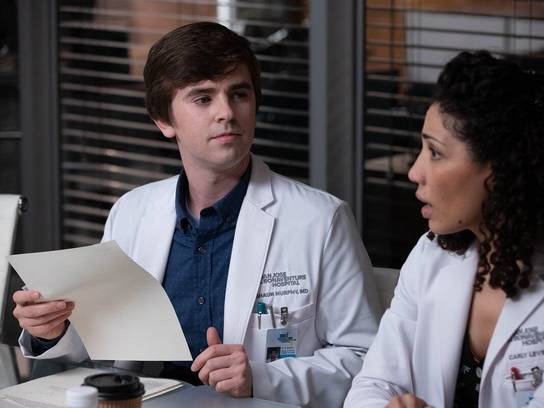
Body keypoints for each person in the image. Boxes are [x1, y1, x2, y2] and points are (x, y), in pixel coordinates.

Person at [13, 22, 381, 407]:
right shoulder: (131, 212)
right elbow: (100, 347)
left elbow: (366, 360)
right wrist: (52, 329)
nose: (227, 112)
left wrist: (261, 378)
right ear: (163, 120)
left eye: (239, 94)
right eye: (203, 98)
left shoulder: (320, 220)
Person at [344, 50, 544, 408]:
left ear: (502, 169)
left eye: (435, 153)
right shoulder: (430, 254)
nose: (415, 172)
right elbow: (373, 384)